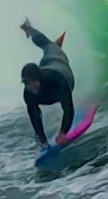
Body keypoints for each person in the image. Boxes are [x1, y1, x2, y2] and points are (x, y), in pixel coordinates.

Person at [19, 18, 76, 148]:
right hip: (46, 65)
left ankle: (30, 29)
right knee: (49, 47)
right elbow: (35, 116)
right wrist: (42, 139)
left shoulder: (58, 82)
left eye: (31, 83)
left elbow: (68, 109)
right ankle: (50, 42)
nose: (29, 87)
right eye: (26, 83)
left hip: (58, 62)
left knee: (49, 46)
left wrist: (63, 132)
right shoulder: (28, 92)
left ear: (39, 79)